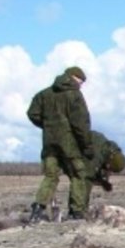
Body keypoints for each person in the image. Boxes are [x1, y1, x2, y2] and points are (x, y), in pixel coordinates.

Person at [26, 66, 95, 222]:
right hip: (69, 144)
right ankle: (76, 213)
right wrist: (87, 146)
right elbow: (81, 124)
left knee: (51, 176)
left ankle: (37, 210)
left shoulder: (43, 94)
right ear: (73, 77)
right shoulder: (75, 95)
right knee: (78, 174)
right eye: (81, 81)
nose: (81, 85)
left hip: (49, 142)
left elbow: (32, 114)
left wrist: (49, 125)